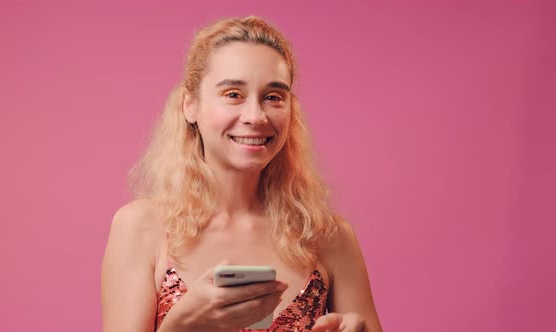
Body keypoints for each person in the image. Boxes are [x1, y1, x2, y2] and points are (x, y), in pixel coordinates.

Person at [101, 16, 383, 332]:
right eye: (233, 94)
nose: (256, 116)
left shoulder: (329, 237)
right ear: (190, 106)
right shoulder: (141, 228)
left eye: (273, 97)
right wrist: (180, 327)